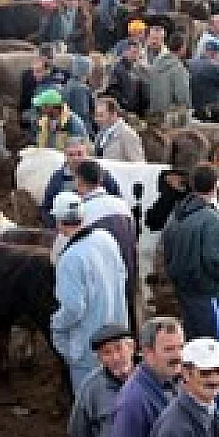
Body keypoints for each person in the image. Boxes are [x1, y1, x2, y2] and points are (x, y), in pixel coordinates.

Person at [160, 165, 219, 425]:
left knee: (194, 346)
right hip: (206, 292)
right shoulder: (208, 219)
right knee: (216, 348)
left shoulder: (178, 214)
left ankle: (195, 398)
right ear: (215, 186)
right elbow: (214, 259)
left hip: (185, 292)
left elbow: (167, 250)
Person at [49, 191, 129, 394]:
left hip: (89, 347)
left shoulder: (69, 259)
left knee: (91, 402)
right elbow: (123, 276)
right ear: (83, 217)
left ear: (59, 222)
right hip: (118, 337)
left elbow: (73, 308)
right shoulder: (107, 239)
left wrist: (56, 326)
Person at [76, 160, 138, 333]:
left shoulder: (82, 212)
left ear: (79, 181)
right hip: (127, 276)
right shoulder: (122, 205)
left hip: (100, 284)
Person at [112, 317, 184, 437]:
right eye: (169, 349)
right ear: (148, 353)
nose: (178, 355)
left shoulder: (179, 381)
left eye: (181, 347)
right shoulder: (132, 402)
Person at [148, 337, 219, 437]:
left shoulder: (210, 414)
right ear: (186, 373)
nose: (214, 379)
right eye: (205, 372)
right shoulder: (173, 429)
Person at [68, 324, 135, 437]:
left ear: (131, 347)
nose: (115, 357)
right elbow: (80, 432)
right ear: (99, 359)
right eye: (107, 353)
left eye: (119, 348)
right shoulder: (90, 387)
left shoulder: (153, 377)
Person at [42, 138, 121, 227]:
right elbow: (46, 208)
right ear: (65, 156)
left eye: (80, 154)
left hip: (98, 227)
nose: (76, 158)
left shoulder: (101, 174)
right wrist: (56, 226)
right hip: (68, 230)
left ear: (87, 154)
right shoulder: (58, 179)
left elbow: (117, 198)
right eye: (71, 155)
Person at [145, 32, 191, 120]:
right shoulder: (178, 68)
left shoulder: (155, 65)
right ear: (182, 48)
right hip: (171, 118)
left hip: (154, 116)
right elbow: (182, 97)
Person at [188, 41, 219, 119]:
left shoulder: (190, 63)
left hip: (193, 106)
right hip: (211, 109)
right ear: (215, 54)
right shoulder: (214, 66)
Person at [93, 98, 144, 162]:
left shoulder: (127, 134)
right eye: (96, 115)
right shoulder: (101, 133)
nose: (96, 119)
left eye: (101, 115)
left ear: (114, 114)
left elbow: (139, 163)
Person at [106, 40, 148, 117]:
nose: (136, 55)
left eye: (138, 52)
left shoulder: (139, 69)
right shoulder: (117, 69)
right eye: (134, 52)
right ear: (125, 52)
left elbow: (142, 90)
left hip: (138, 113)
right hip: (124, 112)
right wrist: (125, 104)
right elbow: (113, 90)